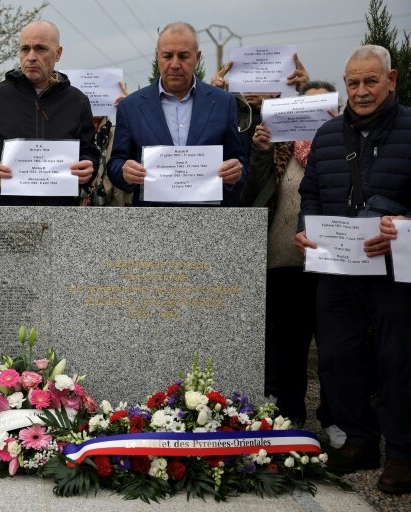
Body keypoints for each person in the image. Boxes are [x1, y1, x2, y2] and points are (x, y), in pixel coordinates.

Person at [296, 45, 411, 494]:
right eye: (353, 82)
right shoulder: (326, 135)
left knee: (397, 361)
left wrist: (403, 226)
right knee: (339, 358)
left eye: (370, 81)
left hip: (393, 272)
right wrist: (305, 229)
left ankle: (402, 453)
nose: (361, 91)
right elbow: (310, 192)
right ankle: (359, 440)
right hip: (337, 269)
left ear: (392, 79)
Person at [243, 81, 339, 431]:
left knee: (333, 345)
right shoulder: (280, 148)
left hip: (331, 263)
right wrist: (261, 152)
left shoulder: (341, 151)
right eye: (308, 108)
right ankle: (291, 416)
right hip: (283, 262)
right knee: (289, 344)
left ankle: (333, 418)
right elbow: (252, 193)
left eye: (323, 108)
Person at [0, 20, 100, 206]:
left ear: (58, 53)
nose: (31, 57)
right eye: (25, 49)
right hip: (6, 216)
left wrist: (88, 168)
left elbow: (89, 153)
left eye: (40, 49)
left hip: (62, 217)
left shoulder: (78, 101)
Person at [107, 22, 246, 206]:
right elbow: (116, 162)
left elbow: (239, 162)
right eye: (167, 56)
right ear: (157, 56)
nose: (174, 64)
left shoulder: (223, 103)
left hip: (209, 222)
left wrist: (236, 172)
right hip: (151, 221)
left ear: (197, 57)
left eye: (183, 56)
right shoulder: (131, 106)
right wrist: (124, 172)